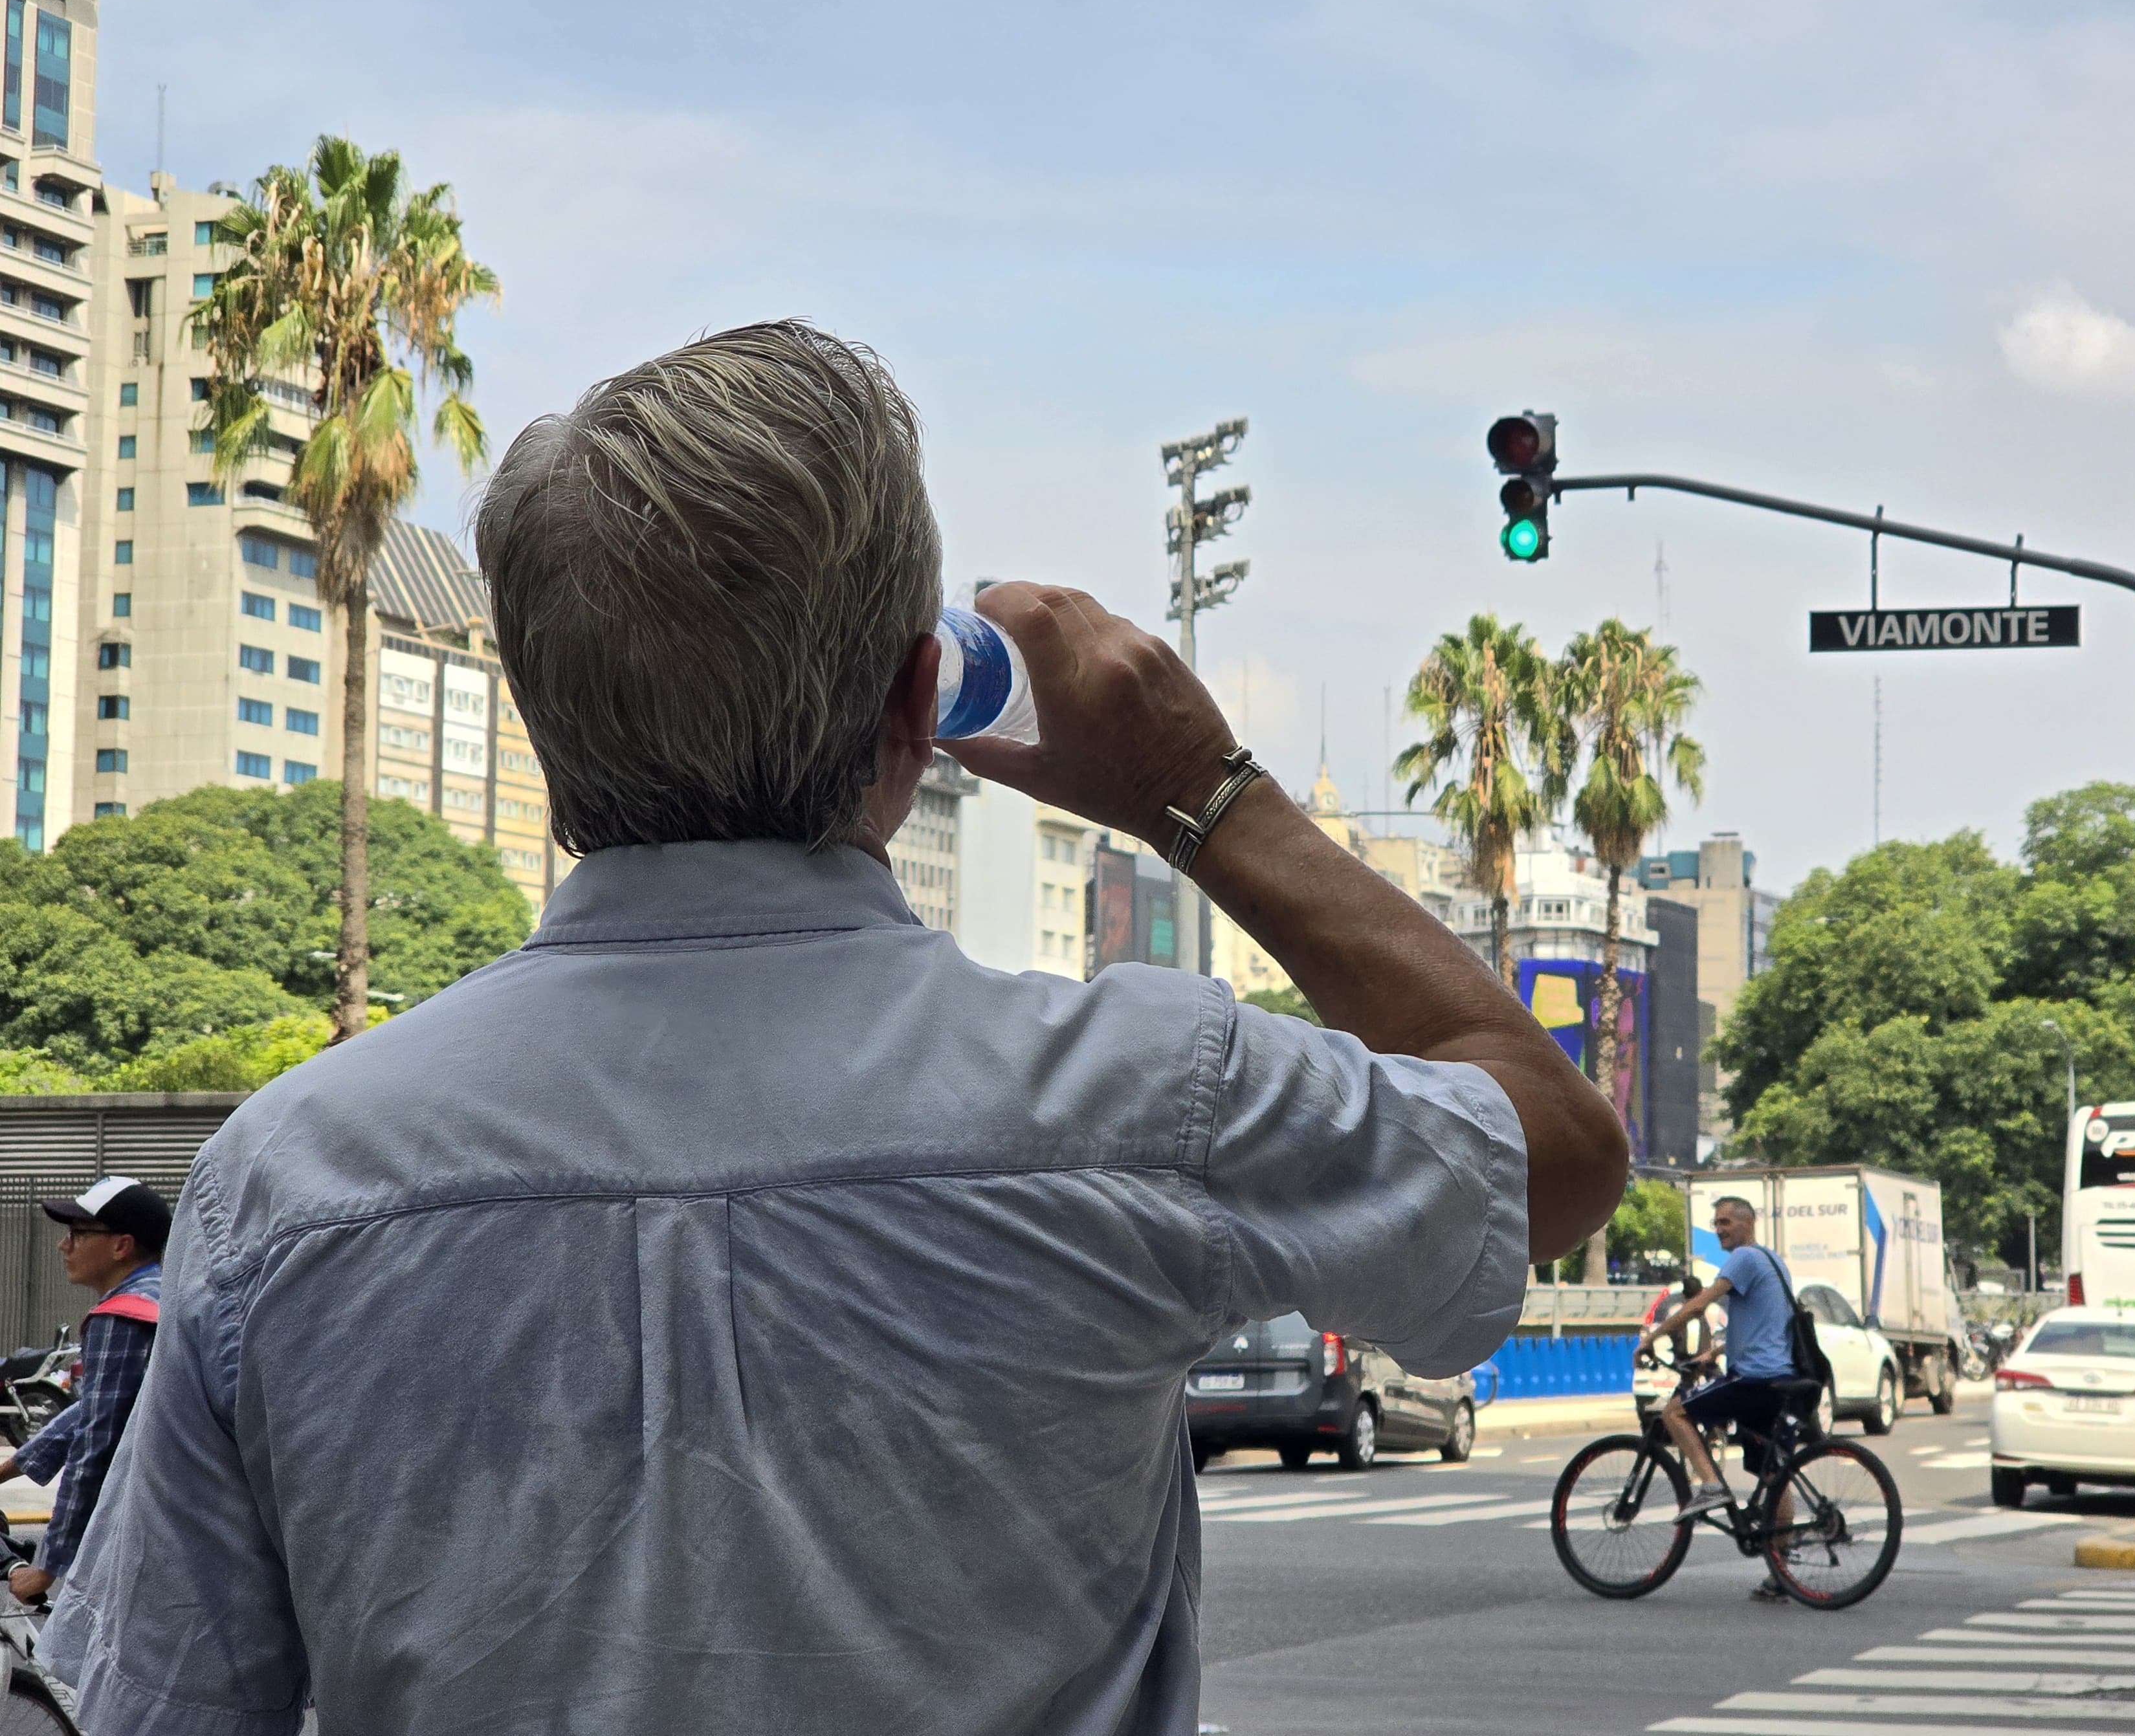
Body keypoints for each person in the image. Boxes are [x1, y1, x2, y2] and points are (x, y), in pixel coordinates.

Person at [41, 324, 1628, 1735]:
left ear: (540, 709)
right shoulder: (1145, 1098)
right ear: (912, 706)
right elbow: (1552, 1152)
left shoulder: (289, 1180)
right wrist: (1204, 794)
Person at [1637, 1194, 1817, 1599]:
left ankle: (1712, 1486)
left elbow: (1701, 1302)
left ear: (1746, 1224)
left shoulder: (1743, 1259)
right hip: (1779, 1379)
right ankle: (1781, 1575)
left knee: (1674, 1413)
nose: (1719, 1230)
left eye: (1725, 1223)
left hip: (1754, 1379)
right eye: (1716, 1223)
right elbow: (1769, 1325)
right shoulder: (1774, 1262)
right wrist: (1713, 1355)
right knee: (1775, 1475)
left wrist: (1654, 1335)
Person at [0, 1177, 168, 1603]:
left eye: (78, 1234)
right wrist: (11, 1467)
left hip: (146, 1522)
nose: (63, 1246)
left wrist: (46, 1566)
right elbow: (94, 1410)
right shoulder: (162, 1296)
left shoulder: (123, 1317)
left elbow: (97, 1443)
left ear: (121, 1245)